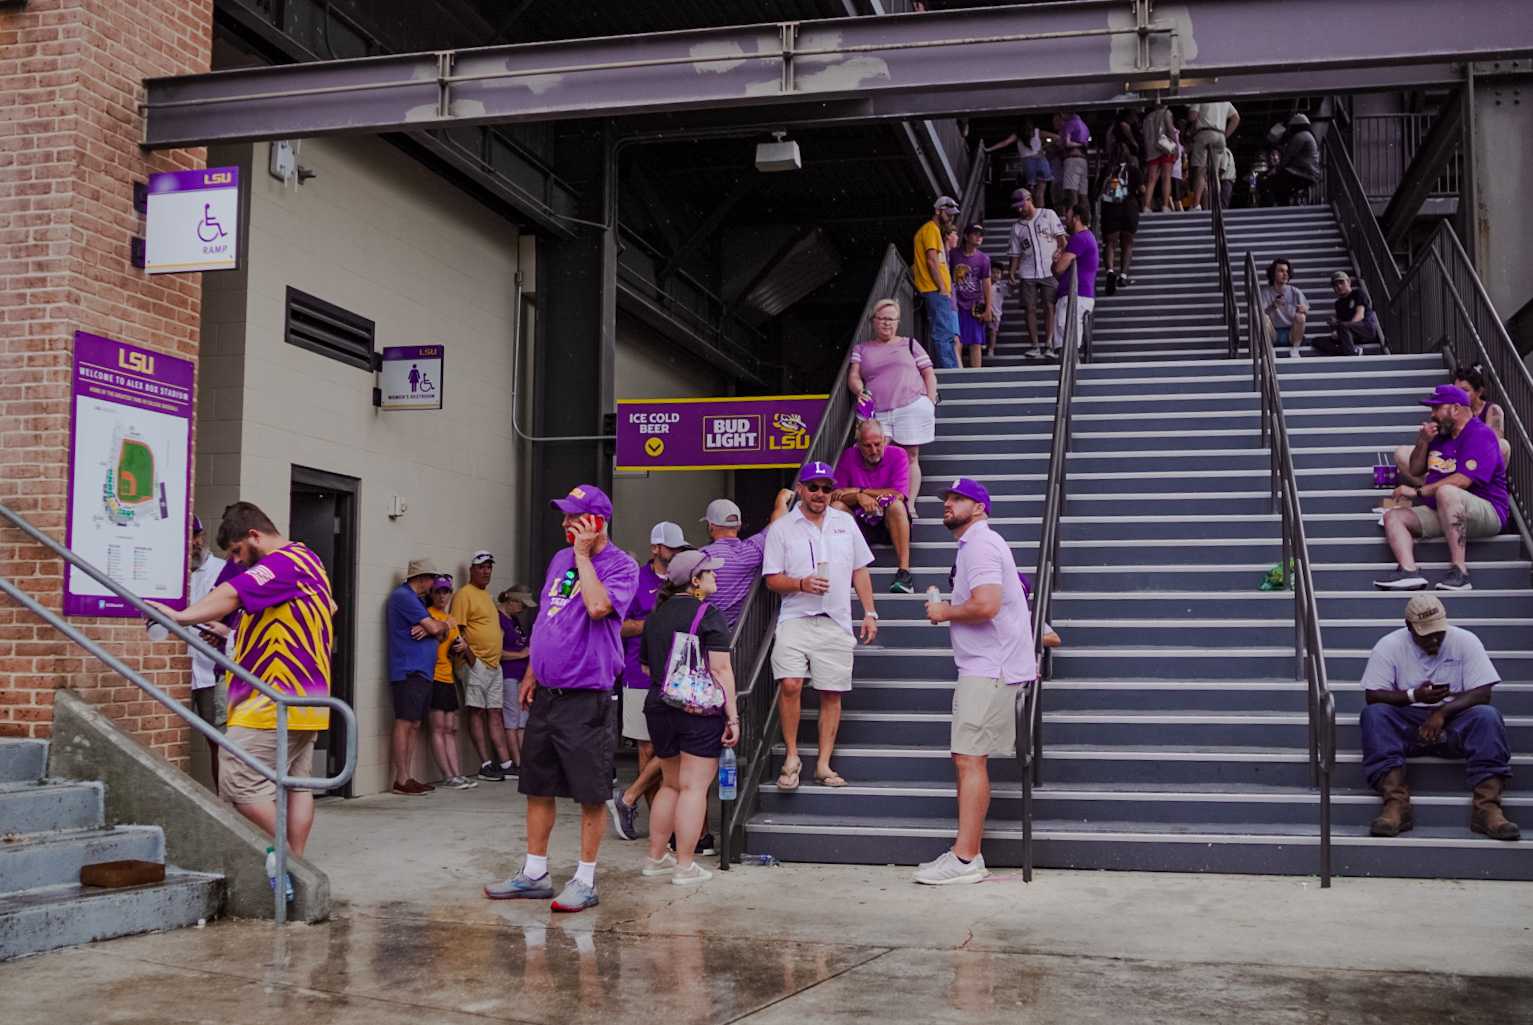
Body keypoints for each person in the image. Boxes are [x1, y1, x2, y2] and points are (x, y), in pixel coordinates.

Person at [147, 502, 335, 866]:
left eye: (237, 551)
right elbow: (328, 608)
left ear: (254, 536)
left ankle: (291, 863)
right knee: (297, 784)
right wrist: (234, 634)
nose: (237, 560)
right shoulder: (311, 562)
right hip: (307, 699)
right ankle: (297, 866)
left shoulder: (282, 562)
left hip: (270, 700)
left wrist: (183, 616)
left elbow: (234, 592)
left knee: (239, 780)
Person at [485, 484, 639, 912]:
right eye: (566, 516)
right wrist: (535, 668)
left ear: (597, 522)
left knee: (590, 792)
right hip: (549, 693)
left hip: (586, 696)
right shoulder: (559, 559)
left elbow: (596, 607)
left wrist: (586, 557)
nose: (566, 524)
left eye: (575, 517)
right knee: (537, 784)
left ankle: (585, 880)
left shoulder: (621, 565)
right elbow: (551, 616)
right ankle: (534, 873)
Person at [916, 478, 1037, 884]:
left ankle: (967, 858)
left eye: (958, 499)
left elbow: (986, 605)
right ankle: (965, 853)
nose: (948, 504)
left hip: (991, 669)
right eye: (947, 498)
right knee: (966, 758)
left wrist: (942, 611)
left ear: (980, 508)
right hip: (988, 667)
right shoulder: (976, 545)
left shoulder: (981, 544)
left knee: (969, 758)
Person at [1359, 594, 1519, 841]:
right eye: (1426, 635)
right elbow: (1373, 695)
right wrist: (1415, 695)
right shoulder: (1389, 645)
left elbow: (1483, 692)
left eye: (1439, 633)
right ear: (1409, 626)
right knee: (1374, 715)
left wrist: (1442, 713)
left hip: (1455, 722)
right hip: (1410, 724)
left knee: (1487, 717)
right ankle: (1396, 804)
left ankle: (1487, 808)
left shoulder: (1465, 641)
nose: (1434, 640)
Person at [763, 462, 879, 791]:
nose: (820, 494)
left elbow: (860, 569)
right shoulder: (782, 528)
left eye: (827, 488)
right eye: (813, 487)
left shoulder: (845, 522)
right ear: (800, 488)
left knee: (832, 692)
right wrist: (801, 583)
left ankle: (824, 763)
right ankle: (792, 755)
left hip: (836, 619)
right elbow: (771, 579)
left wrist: (870, 612)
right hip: (796, 617)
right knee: (790, 684)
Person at [638, 549, 741, 886]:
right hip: (697, 711)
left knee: (670, 783)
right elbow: (721, 669)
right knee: (694, 787)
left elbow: (646, 666)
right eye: (709, 572)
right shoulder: (709, 615)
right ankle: (685, 865)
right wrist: (733, 717)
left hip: (658, 705)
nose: (715, 577)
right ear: (695, 581)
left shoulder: (655, 617)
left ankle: (656, 858)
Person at [1376, 384, 1510, 592]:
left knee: (1446, 491)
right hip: (1443, 509)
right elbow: (1415, 469)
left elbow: (1462, 481)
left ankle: (1460, 571)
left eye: (1437, 408)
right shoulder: (1439, 437)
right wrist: (1422, 442)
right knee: (1393, 516)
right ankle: (1409, 571)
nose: (1433, 414)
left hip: (1487, 511)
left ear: (1455, 409)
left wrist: (1418, 492)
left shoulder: (1480, 434)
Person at [608, 521, 688, 842]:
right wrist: (654, 625)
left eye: (680, 547)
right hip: (639, 672)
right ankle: (662, 828)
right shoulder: (635, 580)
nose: (678, 552)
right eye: (672, 547)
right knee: (648, 748)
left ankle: (629, 799)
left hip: (679, 674)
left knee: (678, 745)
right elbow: (619, 626)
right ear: (656, 548)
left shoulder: (683, 577)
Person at [847, 298, 939, 505]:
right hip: (877, 411)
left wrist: (930, 401)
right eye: (882, 319)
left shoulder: (910, 344)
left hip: (911, 405)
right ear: (873, 321)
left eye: (891, 319)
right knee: (876, 455)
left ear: (897, 322)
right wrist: (859, 390)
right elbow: (854, 375)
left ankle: (909, 504)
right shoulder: (862, 348)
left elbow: (928, 373)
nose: (887, 323)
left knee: (911, 455)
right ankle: (879, 501)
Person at [387, 558, 451, 796]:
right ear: (422, 578)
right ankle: (401, 777)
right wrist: (434, 627)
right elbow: (438, 629)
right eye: (432, 578)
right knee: (405, 722)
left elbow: (441, 632)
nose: (434, 584)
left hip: (422, 670)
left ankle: (407, 776)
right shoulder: (403, 597)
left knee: (414, 723)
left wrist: (435, 627)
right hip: (408, 669)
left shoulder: (418, 602)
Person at [451, 550, 515, 782]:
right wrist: (470, 657)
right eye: (481, 567)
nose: (486, 571)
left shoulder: (486, 596)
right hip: (474, 662)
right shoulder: (463, 595)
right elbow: (456, 630)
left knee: (495, 712)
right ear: (472, 569)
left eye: (489, 567)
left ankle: (506, 763)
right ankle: (485, 764)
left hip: (493, 664)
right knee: (476, 711)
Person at [832, 419, 914, 594]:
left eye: (877, 444)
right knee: (837, 507)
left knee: (897, 506)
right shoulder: (849, 456)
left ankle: (904, 572)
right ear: (859, 445)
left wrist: (862, 491)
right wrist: (858, 497)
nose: (874, 450)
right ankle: (843, 570)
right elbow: (836, 495)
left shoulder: (898, 454)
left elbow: (898, 494)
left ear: (884, 440)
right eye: (867, 446)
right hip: (860, 525)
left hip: (888, 523)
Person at [1395, 365, 1512, 483]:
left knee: (1503, 445)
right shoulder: (1446, 415)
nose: (1459, 393)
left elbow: (1492, 445)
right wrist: (1423, 440)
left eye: (1465, 390)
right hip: (1448, 458)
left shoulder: (1492, 410)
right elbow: (1416, 467)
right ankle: (1433, 486)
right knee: (1401, 453)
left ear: (1479, 392)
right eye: (1456, 389)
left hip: (1474, 460)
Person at [696, 493, 794, 628]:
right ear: (739, 525)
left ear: (711, 526)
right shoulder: (753, 549)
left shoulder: (702, 556)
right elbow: (778, 524)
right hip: (739, 636)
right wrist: (782, 499)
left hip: (708, 633)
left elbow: (692, 596)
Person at [185, 515, 228, 791]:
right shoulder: (170, 573)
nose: (196, 542)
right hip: (177, 669)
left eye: (198, 535)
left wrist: (223, 627)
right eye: (190, 536)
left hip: (213, 670)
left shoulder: (222, 571)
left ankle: (226, 803)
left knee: (220, 743)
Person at [426, 576, 476, 790]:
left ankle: (457, 773)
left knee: (451, 727)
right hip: (433, 676)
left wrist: (463, 647)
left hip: (448, 676)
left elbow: (466, 659)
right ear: (431, 594)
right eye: (438, 592)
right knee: (438, 727)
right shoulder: (428, 616)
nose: (442, 596)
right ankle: (448, 775)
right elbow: (434, 638)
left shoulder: (451, 619)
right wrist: (444, 626)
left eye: (445, 592)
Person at [1007, 188, 1066, 360]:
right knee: (1029, 308)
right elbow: (1016, 253)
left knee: (1049, 305)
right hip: (1027, 271)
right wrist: (1012, 272)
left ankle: (1049, 343)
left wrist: (1061, 253)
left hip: (1049, 268)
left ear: (1029, 199)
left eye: (1021, 205)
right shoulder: (1017, 227)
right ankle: (1034, 345)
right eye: (1017, 207)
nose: (1020, 210)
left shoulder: (1048, 214)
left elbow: (1062, 239)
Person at [912, 195, 961, 370]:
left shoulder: (931, 230)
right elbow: (932, 260)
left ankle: (951, 368)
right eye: (948, 214)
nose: (951, 218)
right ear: (938, 211)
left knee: (944, 332)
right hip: (935, 290)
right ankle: (951, 371)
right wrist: (942, 287)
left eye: (952, 215)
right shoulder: (931, 230)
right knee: (944, 333)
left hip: (934, 290)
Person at [1050, 203, 1100, 356]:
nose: (1066, 220)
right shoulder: (1086, 238)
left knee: (1067, 340)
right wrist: (1056, 261)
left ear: (1077, 218)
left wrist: (1057, 261)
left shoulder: (1079, 238)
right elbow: (1058, 270)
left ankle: (1072, 373)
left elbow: (1059, 269)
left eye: (1069, 216)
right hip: (1080, 294)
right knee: (1069, 339)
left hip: (1075, 296)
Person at [497, 585, 535, 774]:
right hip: (509, 674)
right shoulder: (500, 620)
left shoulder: (515, 621)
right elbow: (498, 652)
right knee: (511, 720)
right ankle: (517, 763)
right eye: (521, 605)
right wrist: (521, 655)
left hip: (522, 676)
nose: (523, 610)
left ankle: (524, 761)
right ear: (511, 601)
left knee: (522, 720)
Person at [950, 222, 994, 369]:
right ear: (966, 236)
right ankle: (959, 371)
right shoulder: (953, 254)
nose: (979, 237)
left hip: (975, 303)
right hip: (955, 303)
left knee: (976, 341)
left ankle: (977, 373)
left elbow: (987, 284)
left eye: (981, 235)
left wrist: (988, 307)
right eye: (975, 234)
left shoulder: (983, 259)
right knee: (957, 339)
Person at [1098, 154, 1142, 291]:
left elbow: (1098, 190)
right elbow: (1142, 189)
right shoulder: (1134, 170)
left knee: (1110, 243)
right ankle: (1123, 275)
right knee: (1127, 243)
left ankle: (1110, 271)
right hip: (1129, 208)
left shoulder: (1108, 169)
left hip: (1110, 209)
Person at [985, 120, 1052, 208]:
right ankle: (1041, 215)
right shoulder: (1037, 132)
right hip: (1041, 160)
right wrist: (1044, 147)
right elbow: (1057, 137)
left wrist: (988, 149)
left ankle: (1032, 212)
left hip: (1028, 163)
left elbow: (1005, 143)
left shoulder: (1018, 135)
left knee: (1031, 192)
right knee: (1040, 193)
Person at [1188, 100, 1239, 211]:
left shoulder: (1201, 95)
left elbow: (1192, 116)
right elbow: (1236, 118)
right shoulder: (1225, 100)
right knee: (1214, 174)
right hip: (1220, 136)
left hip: (1204, 133)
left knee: (1201, 171)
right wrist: (1225, 135)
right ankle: (1215, 204)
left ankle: (1196, 205)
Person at [1314, 271, 1377, 356]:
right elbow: (1342, 325)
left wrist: (1343, 325)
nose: (1339, 286)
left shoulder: (1358, 293)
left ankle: (1350, 355)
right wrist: (1335, 324)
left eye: (1341, 282)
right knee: (1317, 341)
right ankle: (1349, 351)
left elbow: (1360, 315)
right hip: (1350, 335)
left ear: (1349, 282)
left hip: (1366, 329)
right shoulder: (1338, 304)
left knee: (1343, 326)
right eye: (1335, 285)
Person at [1258, 258, 1309, 358]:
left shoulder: (1296, 292)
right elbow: (1260, 315)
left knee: (1301, 317)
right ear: (1273, 274)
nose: (1285, 274)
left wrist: (1304, 310)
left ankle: (1295, 349)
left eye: (1287, 271)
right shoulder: (1265, 292)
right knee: (1263, 317)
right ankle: (1269, 349)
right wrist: (1273, 306)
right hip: (1273, 333)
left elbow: (1305, 311)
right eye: (1281, 271)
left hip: (1291, 333)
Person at [1270, 112, 1320, 205]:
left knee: (1277, 180)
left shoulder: (1300, 136)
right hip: (1308, 171)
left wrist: (1278, 169)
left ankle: (1284, 205)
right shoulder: (1307, 135)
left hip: (1304, 172)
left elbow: (1288, 156)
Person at [1051, 111, 1091, 212]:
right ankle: (1086, 218)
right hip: (1082, 160)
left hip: (1072, 159)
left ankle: (1075, 218)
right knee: (1083, 194)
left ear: (1062, 117)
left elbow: (1066, 143)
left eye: (1055, 120)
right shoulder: (1083, 125)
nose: (1054, 123)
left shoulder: (1068, 125)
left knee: (1071, 191)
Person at [1142, 102, 1177, 214]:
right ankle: (1165, 206)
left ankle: (1146, 206)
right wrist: (1175, 147)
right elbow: (1171, 130)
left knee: (1151, 179)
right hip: (1165, 148)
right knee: (1166, 178)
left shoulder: (1147, 118)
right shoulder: (1166, 113)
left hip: (1151, 150)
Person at [1217, 146, 1236, 211]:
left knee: (1223, 202)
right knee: (1224, 201)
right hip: (1227, 180)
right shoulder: (1226, 151)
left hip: (1225, 180)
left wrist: (1216, 177)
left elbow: (1222, 168)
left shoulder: (1223, 151)